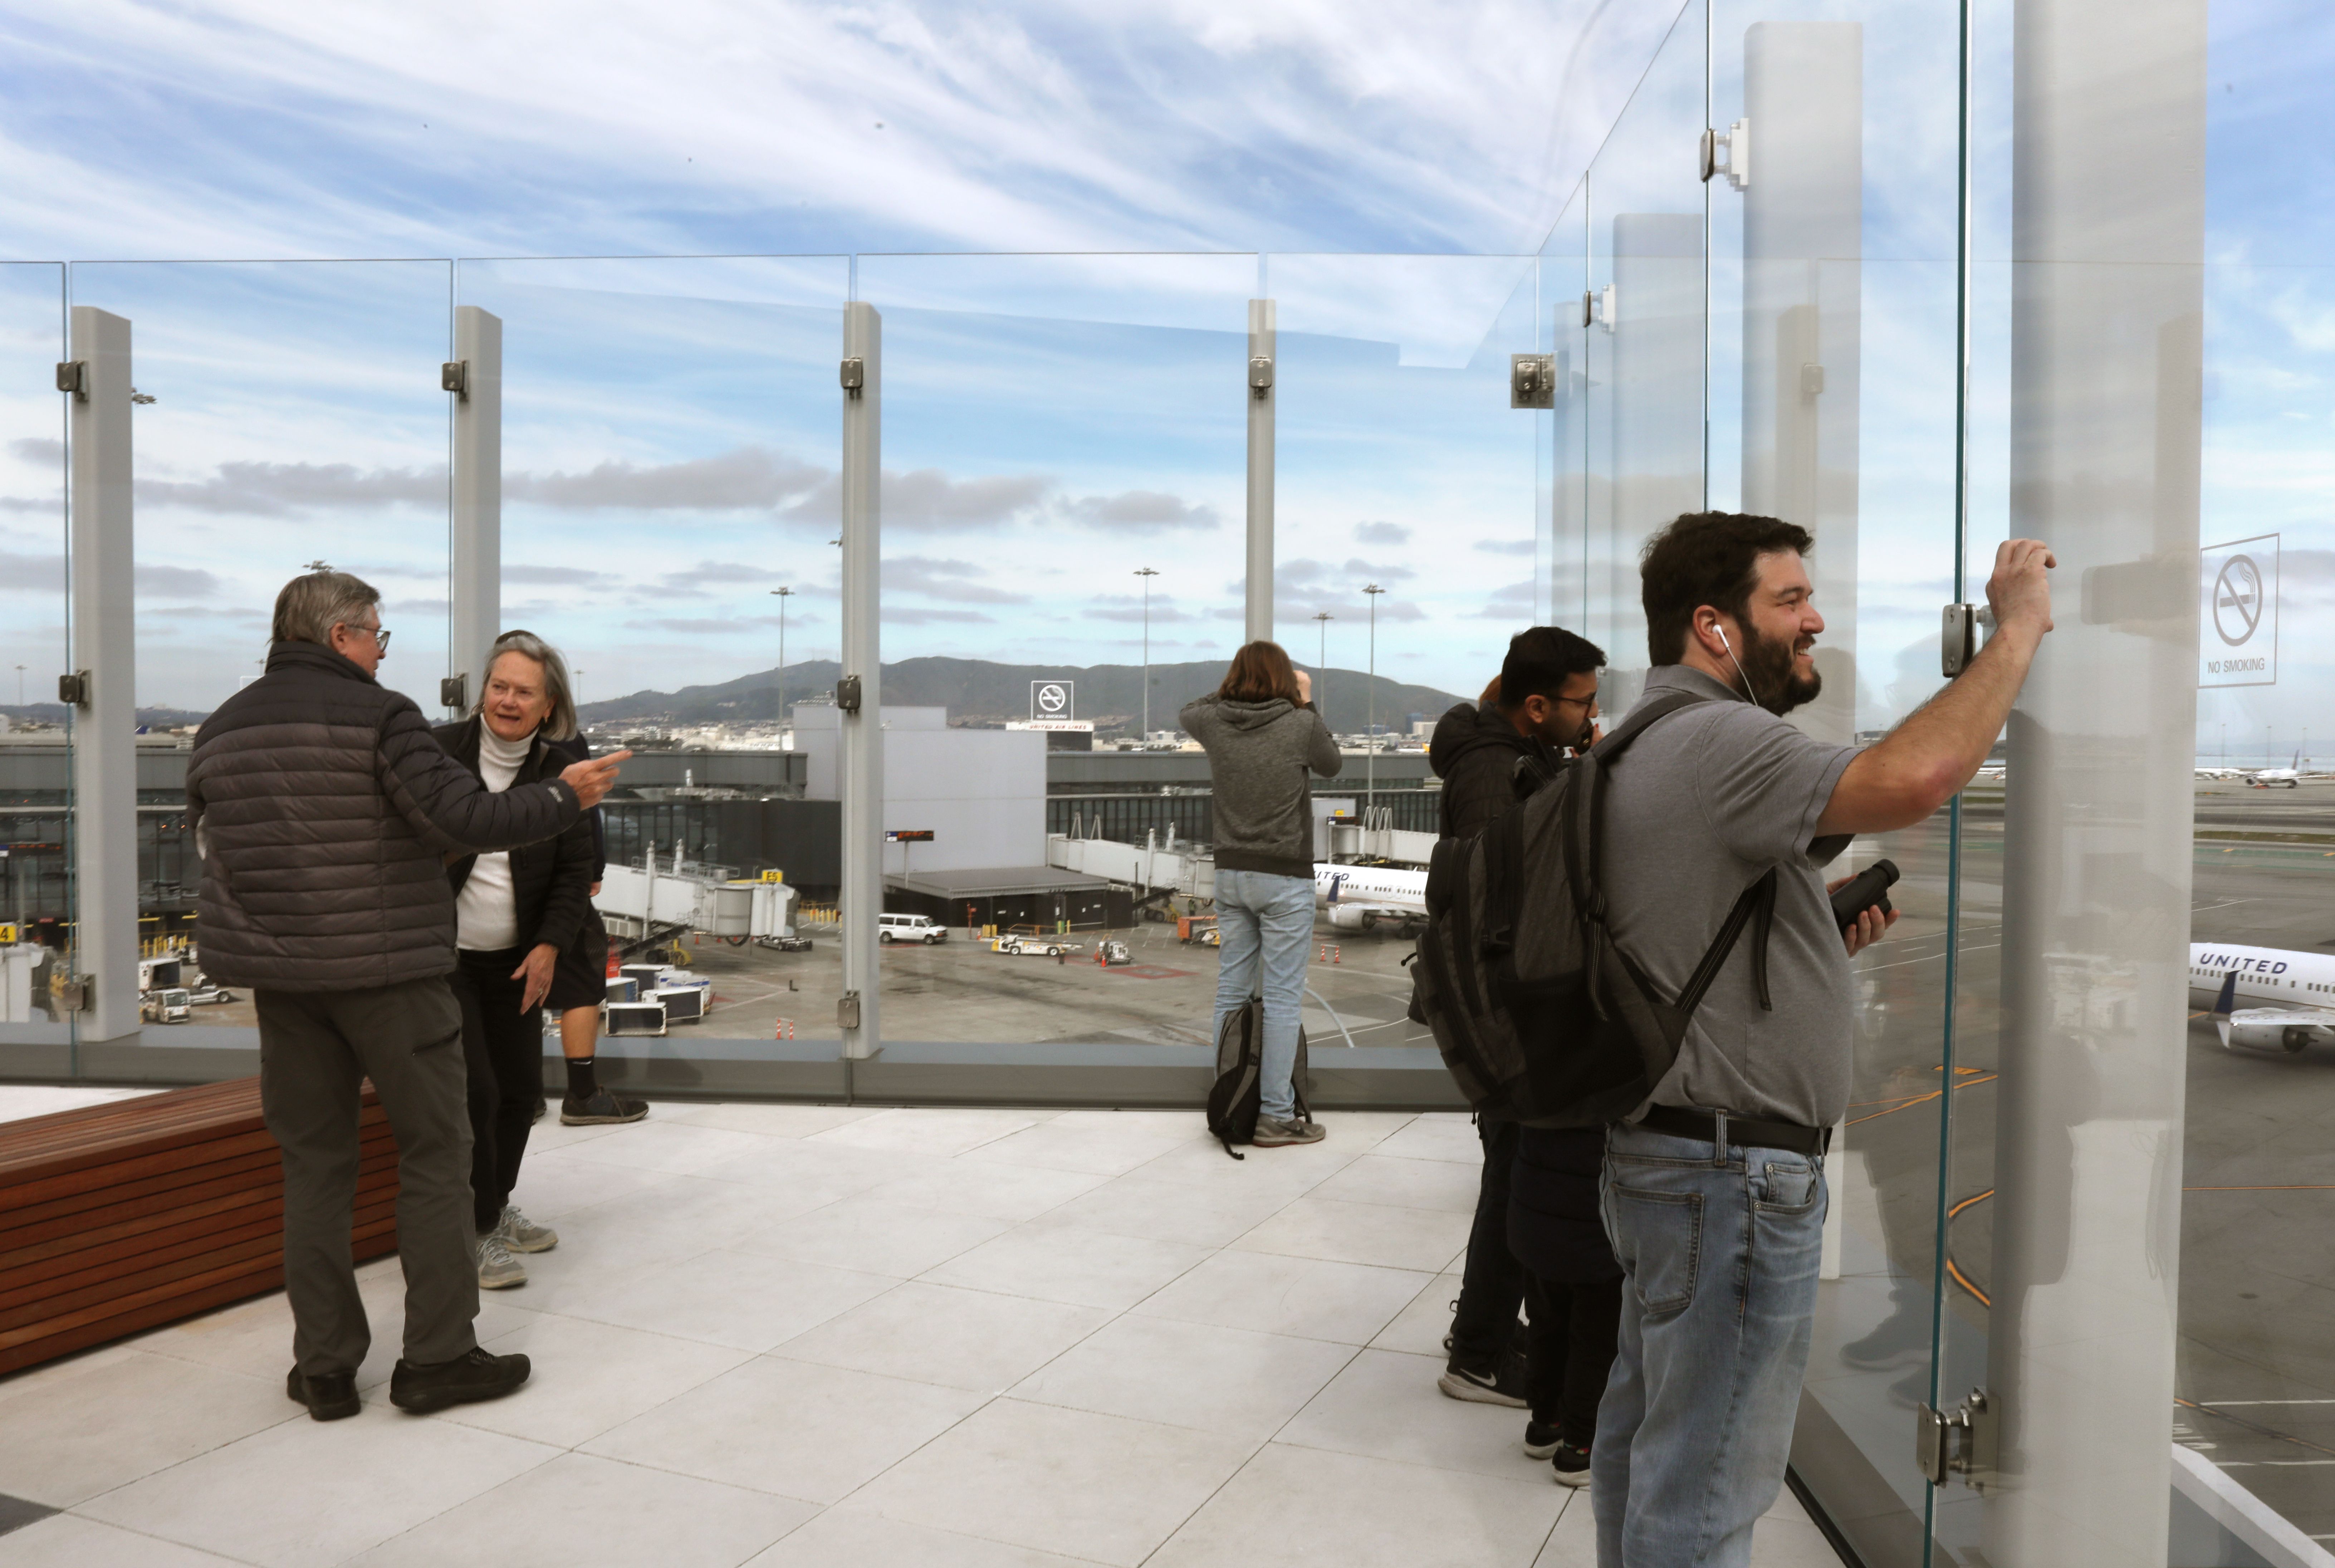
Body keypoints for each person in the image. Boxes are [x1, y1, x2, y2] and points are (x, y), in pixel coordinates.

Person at [1590, 513, 2053, 1567]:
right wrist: (2014, 631)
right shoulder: (1721, 739)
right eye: (1790, 600)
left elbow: (1687, 932)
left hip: (1667, 1160)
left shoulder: (1641, 739)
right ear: (1712, 626)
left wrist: (1809, 936)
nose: (1817, 620)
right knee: (1706, 1488)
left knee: (1648, 1445)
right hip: (1729, 1179)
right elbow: (1915, 779)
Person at [185, 572, 627, 1421]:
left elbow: (212, 843)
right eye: (378, 636)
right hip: (391, 977)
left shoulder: (222, 727)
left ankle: (322, 1366)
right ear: (345, 635)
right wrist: (562, 795)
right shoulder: (381, 717)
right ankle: (436, 1357)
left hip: (287, 987)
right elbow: (465, 819)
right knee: (436, 1153)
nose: (381, 651)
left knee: (315, 1166)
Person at [1426, 626, 1606, 1408]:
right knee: (1513, 1175)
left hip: (1501, 999)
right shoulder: (1493, 773)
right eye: (1584, 701)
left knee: (1518, 1170)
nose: (1593, 712)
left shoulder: (1515, 757)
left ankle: (1494, 1330)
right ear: (1537, 705)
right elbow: (1494, 899)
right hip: (1501, 1005)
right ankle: (1481, 1349)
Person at [435, 631, 616, 1289]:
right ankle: (477, 1229)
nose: (507, 700)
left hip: (517, 958)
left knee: (519, 1096)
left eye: (524, 691)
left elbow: (574, 873)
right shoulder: (438, 753)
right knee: (476, 1091)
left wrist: (547, 945)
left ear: (549, 706)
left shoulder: (560, 767)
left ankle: (496, 1205)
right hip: (444, 956)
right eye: (499, 686)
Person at [1181, 641, 1341, 1147]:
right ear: (1286, 683)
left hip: (1230, 873)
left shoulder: (1213, 722)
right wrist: (1304, 697)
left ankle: (1230, 1100)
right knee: (1281, 1000)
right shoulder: (1300, 723)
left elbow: (1191, 710)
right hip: (1284, 877)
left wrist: (1234, 689)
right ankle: (1274, 1114)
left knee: (1231, 991)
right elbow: (1332, 764)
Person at [538, 724, 650, 1128]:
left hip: (498, 881)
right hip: (558, 877)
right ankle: (582, 1094)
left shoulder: (477, 741)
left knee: (509, 978)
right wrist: (594, 865)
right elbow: (587, 808)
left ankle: (523, 1091)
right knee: (584, 978)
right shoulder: (564, 738)